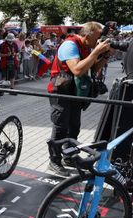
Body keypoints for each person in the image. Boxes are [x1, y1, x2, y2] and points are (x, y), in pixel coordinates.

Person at [46, 22, 110, 176]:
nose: (98, 41)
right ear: (87, 36)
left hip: (74, 92)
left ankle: (68, 156)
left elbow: (92, 69)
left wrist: (105, 56)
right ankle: (54, 161)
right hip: (60, 90)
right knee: (61, 127)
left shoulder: (86, 46)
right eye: (97, 37)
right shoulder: (70, 45)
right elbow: (77, 70)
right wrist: (96, 52)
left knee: (74, 126)